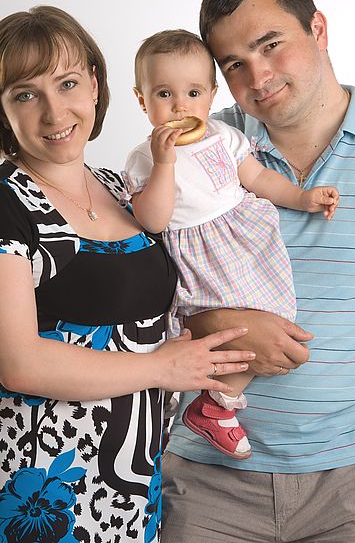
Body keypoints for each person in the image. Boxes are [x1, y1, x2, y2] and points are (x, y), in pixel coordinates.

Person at [0, 6, 257, 543]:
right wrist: (162, 368)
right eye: (25, 94)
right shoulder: (7, 202)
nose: (54, 112)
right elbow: (18, 363)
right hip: (42, 486)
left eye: (68, 83)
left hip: (133, 484)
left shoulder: (123, 188)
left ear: (95, 84)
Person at [162, 0, 355, 543]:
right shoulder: (196, 150)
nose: (258, 75)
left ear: (317, 28)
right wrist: (217, 326)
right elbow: (130, 300)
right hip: (207, 481)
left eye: (271, 45)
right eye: (234, 64)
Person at [123, 29, 339, 460]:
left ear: (211, 95)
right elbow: (152, 218)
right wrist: (164, 163)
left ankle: (211, 407)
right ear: (142, 100)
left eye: (193, 92)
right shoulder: (145, 157)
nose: (180, 106)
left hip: (242, 241)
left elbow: (257, 178)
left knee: (276, 318)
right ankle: (215, 407)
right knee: (229, 331)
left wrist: (302, 197)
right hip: (198, 253)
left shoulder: (223, 136)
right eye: (164, 94)